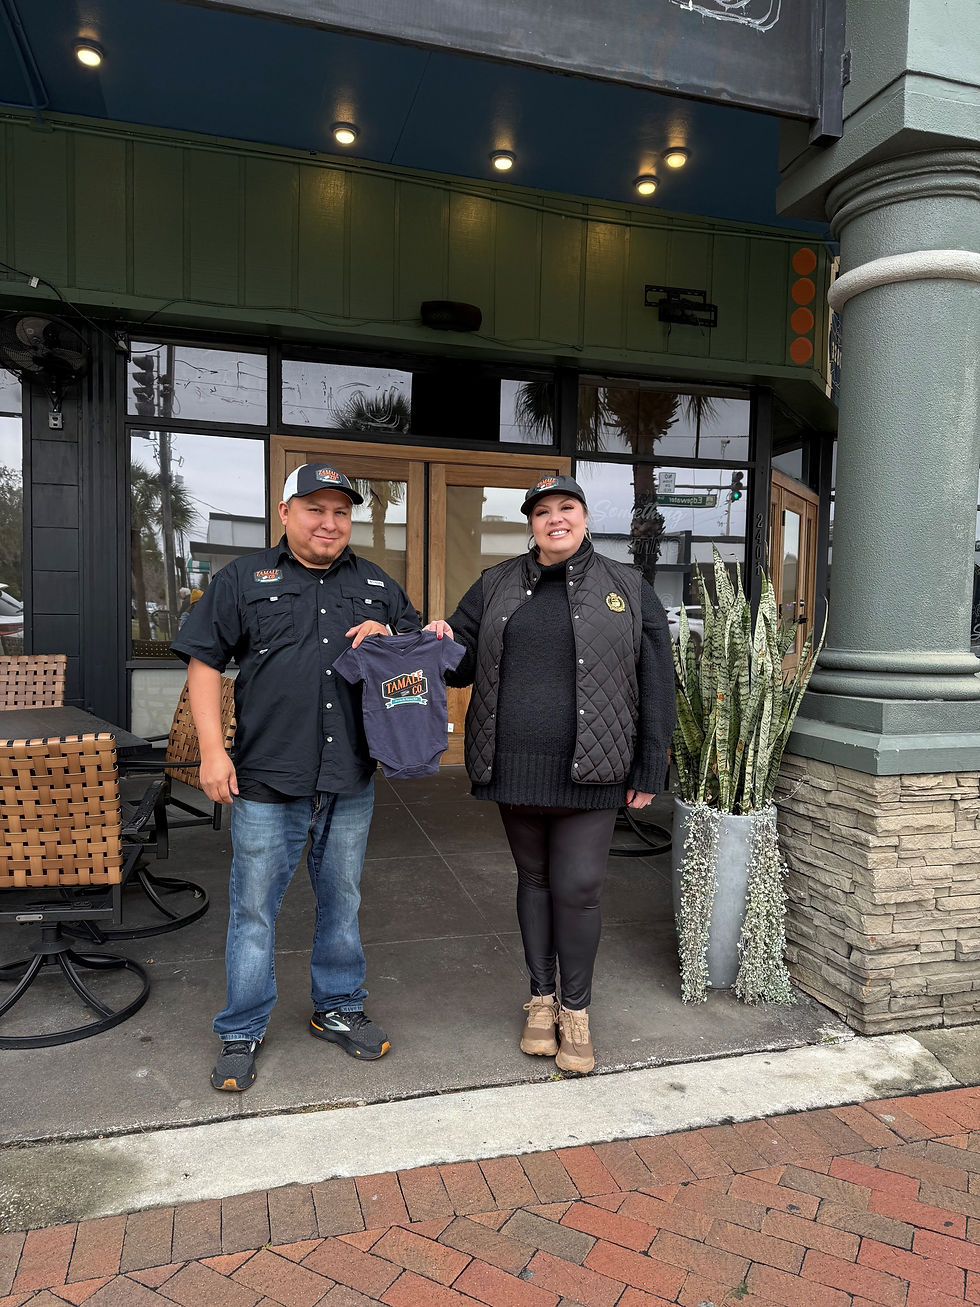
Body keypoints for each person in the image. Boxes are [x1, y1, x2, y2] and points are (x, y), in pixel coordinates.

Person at [172, 463, 420, 1092]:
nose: (329, 522)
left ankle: (337, 1007)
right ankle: (242, 1029)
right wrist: (211, 751)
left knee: (342, 901)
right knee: (253, 910)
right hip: (265, 775)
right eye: (315, 508)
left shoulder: (374, 583)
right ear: (285, 513)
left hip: (349, 777)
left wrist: (392, 638)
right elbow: (204, 666)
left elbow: (420, 655)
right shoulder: (242, 580)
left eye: (340, 511)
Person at [425, 475, 676, 1074]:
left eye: (566, 507)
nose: (554, 519)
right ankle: (540, 999)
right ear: (530, 523)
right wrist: (435, 640)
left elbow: (657, 680)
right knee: (534, 881)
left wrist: (651, 762)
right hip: (515, 763)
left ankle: (577, 1009)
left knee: (580, 888)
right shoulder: (497, 584)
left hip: (595, 764)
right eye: (542, 511)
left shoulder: (628, 586)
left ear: (585, 516)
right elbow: (458, 664)